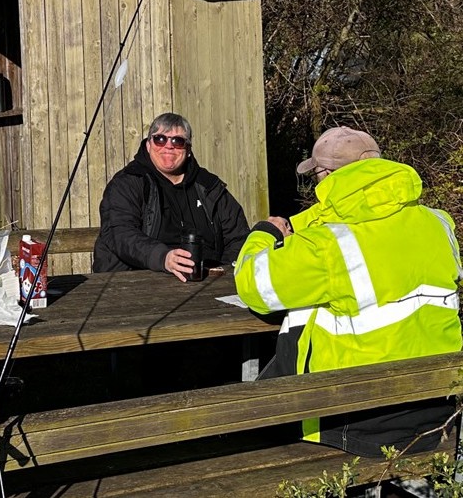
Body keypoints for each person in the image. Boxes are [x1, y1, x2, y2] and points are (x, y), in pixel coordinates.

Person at [235, 126, 462, 457]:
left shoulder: (329, 246)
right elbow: (359, 213)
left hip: (357, 422)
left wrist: (264, 233)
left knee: (246, 423)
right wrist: (297, 224)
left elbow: (253, 287)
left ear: (326, 176)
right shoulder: (438, 224)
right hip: (433, 411)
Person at [93, 113, 250, 281]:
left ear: (188, 149)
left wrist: (220, 274)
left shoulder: (209, 186)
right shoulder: (128, 183)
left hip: (203, 282)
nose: (168, 146)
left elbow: (238, 236)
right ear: (148, 145)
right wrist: (163, 258)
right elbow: (119, 233)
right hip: (135, 282)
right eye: (160, 139)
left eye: (178, 141)